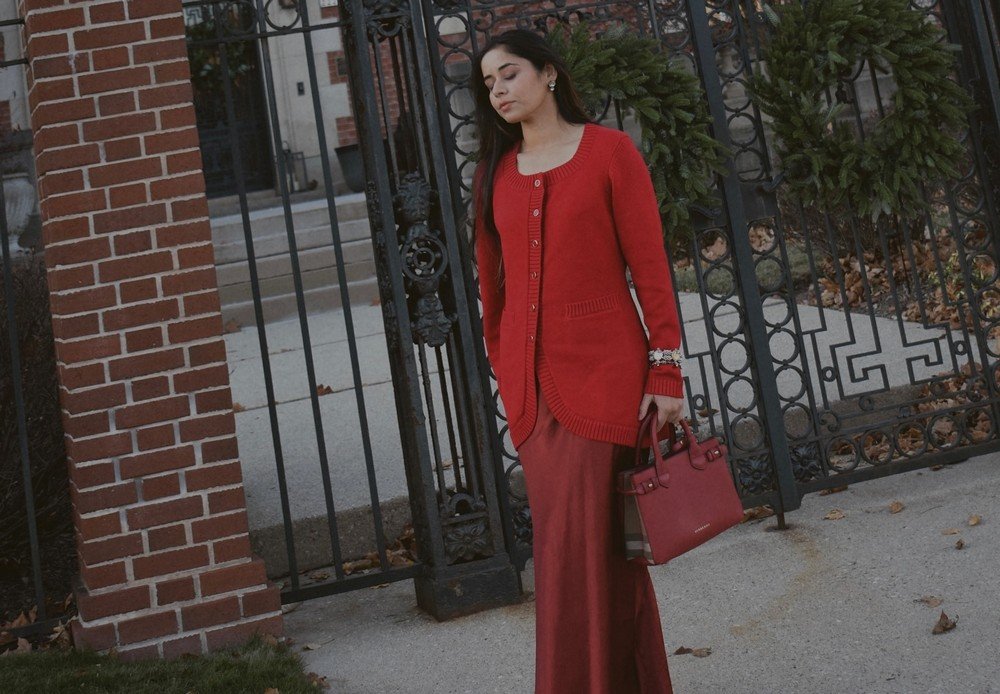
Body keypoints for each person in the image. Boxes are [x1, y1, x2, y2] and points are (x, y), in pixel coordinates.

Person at [470, 28, 687, 694]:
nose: (498, 91)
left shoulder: (610, 153)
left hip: (604, 382)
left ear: (549, 74)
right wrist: (505, 367)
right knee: (581, 554)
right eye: (488, 83)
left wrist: (666, 371)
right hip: (533, 400)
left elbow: (650, 268)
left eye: (509, 74)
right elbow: (493, 289)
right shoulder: (496, 174)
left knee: (587, 554)